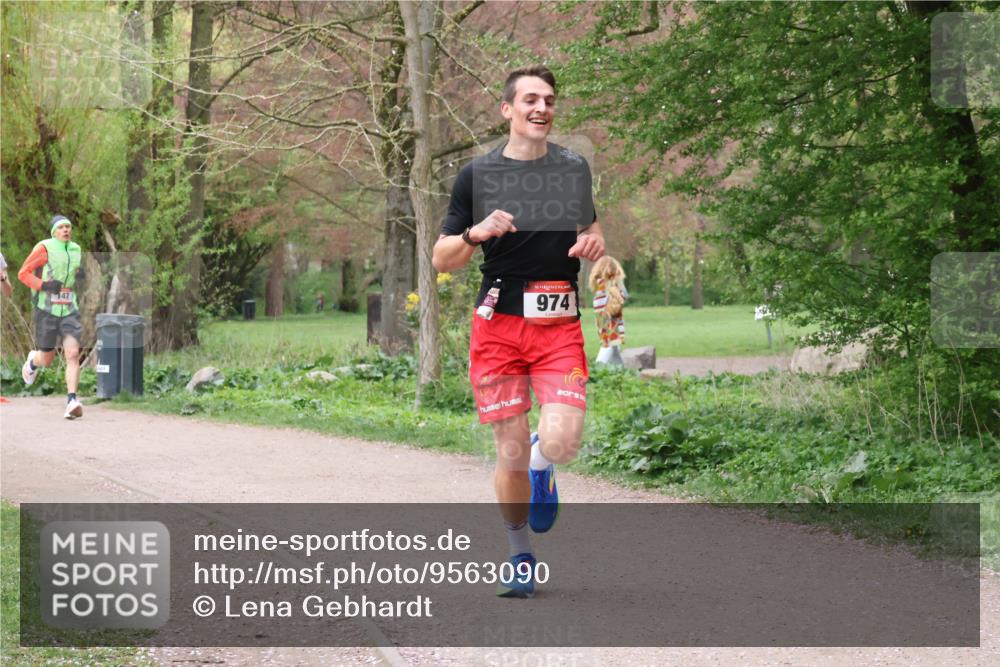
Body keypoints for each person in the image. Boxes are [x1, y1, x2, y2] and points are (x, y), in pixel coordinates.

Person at [432, 65, 605, 598]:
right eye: (530, 99)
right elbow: (442, 259)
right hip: (498, 327)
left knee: (562, 441)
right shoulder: (476, 177)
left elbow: (590, 226)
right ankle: (519, 555)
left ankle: (542, 462)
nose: (542, 108)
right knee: (505, 449)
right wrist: (474, 232)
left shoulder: (572, 169)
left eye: (550, 100)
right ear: (507, 110)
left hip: (557, 327)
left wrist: (595, 244)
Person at [18, 215, 86, 419]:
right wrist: (45, 285)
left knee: (72, 353)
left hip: (69, 309)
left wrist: (80, 275)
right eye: (61, 227)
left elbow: (73, 274)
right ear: (54, 231)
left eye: (68, 227)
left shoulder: (76, 249)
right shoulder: (45, 248)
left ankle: (72, 400)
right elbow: (23, 273)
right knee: (46, 359)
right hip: (46, 309)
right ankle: (32, 362)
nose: (66, 230)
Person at [589, 256, 629, 365]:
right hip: (611, 318)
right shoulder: (612, 284)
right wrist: (620, 281)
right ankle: (597, 368)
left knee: (613, 346)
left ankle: (620, 371)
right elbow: (624, 295)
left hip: (602, 319)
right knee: (608, 345)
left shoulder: (598, 284)